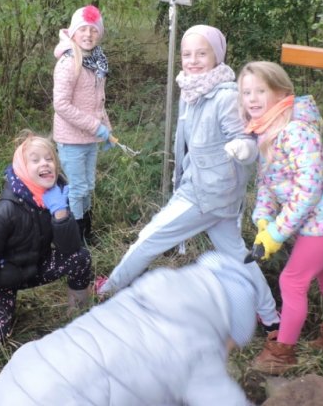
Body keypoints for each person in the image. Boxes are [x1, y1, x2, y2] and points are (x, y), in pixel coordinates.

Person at [95, 25, 280, 331]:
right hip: (205, 187)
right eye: (187, 54)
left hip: (207, 194)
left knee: (150, 238)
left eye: (202, 53)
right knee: (236, 254)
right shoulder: (192, 89)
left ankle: (107, 291)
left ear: (217, 56)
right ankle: (271, 318)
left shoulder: (225, 96)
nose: (193, 60)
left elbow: (247, 140)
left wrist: (244, 150)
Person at [0, 252, 259, 406]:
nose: (227, 353)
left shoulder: (147, 293)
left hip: (19, 376)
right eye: (231, 345)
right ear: (226, 325)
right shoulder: (198, 350)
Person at [237, 61, 323, 374]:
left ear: (281, 92)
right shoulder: (267, 130)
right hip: (318, 222)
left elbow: (308, 190)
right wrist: (262, 221)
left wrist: (277, 233)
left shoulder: (296, 131)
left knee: (292, 280)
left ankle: (282, 353)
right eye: (246, 92)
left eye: (261, 91)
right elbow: (269, 184)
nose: (253, 99)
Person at [0, 132, 93, 348]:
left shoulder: (55, 195)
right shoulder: (6, 210)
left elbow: (71, 249)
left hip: (37, 266)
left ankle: (78, 310)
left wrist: (60, 213)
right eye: (36, 160)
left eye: (49, 159)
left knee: (81, 257)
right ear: (22, 168)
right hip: (5, 279)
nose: (45, 164)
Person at [52, 4, 112, 242]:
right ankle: (75, 237)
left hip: (90, 137)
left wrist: (107, 129)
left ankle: (87, 230)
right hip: (71, 139)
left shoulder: (96, 61)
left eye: (93, 30)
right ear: (73, 32)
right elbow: (62, 105)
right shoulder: (69, 62)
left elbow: (98, 102)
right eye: (83, 29)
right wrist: (95, 126)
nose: (88, 35)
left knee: (88, 186)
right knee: (77, 189)